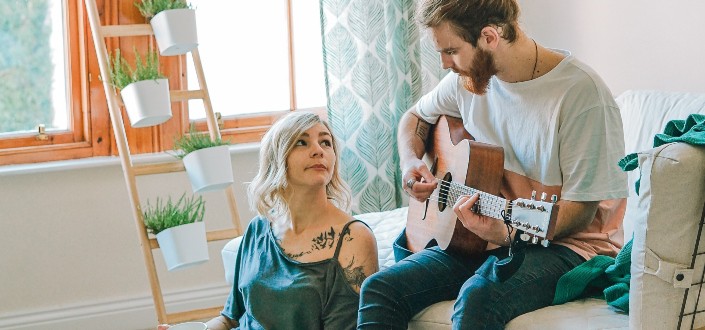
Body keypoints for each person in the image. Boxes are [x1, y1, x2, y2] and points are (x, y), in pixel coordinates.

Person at [357, 0, 628, 329]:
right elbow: (414, 118)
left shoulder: (580, 95)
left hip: (569, 246)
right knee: (380, 288)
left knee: (478, 299)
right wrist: (410, 161)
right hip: (484, 234)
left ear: (489, 37)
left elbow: (581, 211)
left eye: (451, 51)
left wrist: (506, 231)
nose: (445, 64)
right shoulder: (469, 81)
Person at [163, 112, 378, 330]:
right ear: (277, 157)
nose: (318, 151)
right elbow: (229, 319)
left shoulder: (353, 239)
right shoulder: (258, 229)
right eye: (302, 143)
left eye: (326, 142)